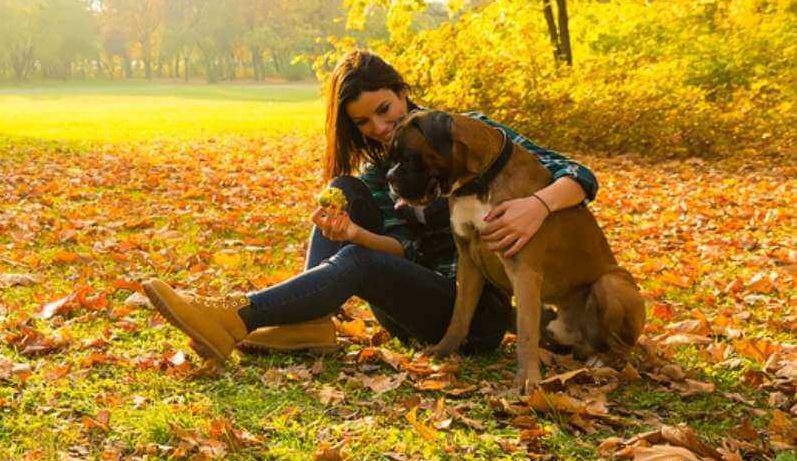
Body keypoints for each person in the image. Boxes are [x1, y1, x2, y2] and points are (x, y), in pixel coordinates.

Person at [141, 49, 600, 364]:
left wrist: (538, 205)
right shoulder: (386, 173)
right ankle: (310, 324)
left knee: (360, 260)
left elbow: (577, 172)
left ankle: (234, 316)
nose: (379, 127)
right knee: (342, 189)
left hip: (473, 315)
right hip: (411, 306)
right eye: (363, 123)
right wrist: (351, 232)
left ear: (401, 91)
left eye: (384, 109)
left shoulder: (465, 136)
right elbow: (403, 250)